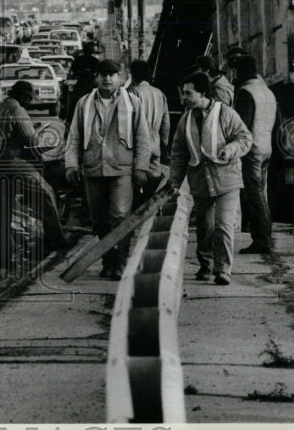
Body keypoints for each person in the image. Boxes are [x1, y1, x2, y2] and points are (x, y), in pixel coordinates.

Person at [64, 59, 152, 280]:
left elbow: (143, 139)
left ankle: (120, 262)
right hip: (93, 170)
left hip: (122, 169)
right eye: (103, 74)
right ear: (97, 77)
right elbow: (74, 137)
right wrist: (71, 165)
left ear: (120, 77)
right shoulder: (84, 103)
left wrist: (141, 167)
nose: (107, 78)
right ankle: (108, 261)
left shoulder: (132, 102)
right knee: (99, 220)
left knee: (120, 217)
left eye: (112, 74)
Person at [168, 71, 254, 285]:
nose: (183, 98)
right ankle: (205, 266)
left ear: (203, 93)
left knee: (223, 226)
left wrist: (231, 149)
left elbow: (245, 138)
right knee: (204, 228)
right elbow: (179, 152)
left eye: (188, 94)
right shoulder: (185, 120)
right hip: (200, 182)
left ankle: (223, 270)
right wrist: (174, 183)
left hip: (226, 180)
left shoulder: (226, 113)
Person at [0, 80, 71, 256]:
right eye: (29, 99)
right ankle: (56, 240)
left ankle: (5, 250)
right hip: (12, 160)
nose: (30, 102)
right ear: (23, 97)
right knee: (46, 192)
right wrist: (36, 134)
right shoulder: (18, 109)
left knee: (4, 207)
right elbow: (31, 141)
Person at [229, 54, 279, 254]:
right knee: (261, 194)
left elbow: (242, 126)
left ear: (239, 72)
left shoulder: (245, 92)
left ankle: (262, 241)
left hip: (251, 152)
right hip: (266, 148)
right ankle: (264, 237)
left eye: (234, 72)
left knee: (254, 195)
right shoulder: (266, 90)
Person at [128, 59, 170, 207]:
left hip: (138, 146)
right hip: (155, 143)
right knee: (153, 183)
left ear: (132, 74)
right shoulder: (159, 93)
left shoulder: (132, 93)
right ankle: (149, 215)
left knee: (135, 185)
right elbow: (166, 123)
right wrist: (163, 144)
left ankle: (136, 219)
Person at [65, 40, 99, 123]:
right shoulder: (96, 62)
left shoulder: (77, 61)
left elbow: (72, 75)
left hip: (82, 85)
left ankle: (69, 119)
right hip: (89, 85)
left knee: (72, 103)